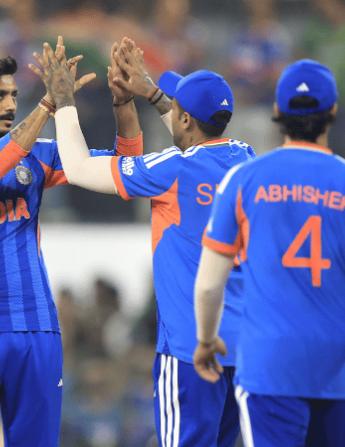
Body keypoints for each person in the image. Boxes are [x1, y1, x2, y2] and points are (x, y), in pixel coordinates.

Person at [0, 37, 143, 446]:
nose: (10, 104)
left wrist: (123, 104)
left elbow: (124, 169)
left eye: (15, 95)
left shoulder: (40, 153)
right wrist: (50, 104)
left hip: (36, 327)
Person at [32, 38, 256, 447]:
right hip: (245, 351)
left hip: (190, 349)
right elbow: (195, 137)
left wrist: (63, 101)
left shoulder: (171, 169)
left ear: (185, 118)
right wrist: (150, 93)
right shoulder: (247, 159)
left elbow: (79, 168)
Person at [193, 59, 345, 446]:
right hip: (338, 368)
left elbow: (207, 286)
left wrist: (206, 340)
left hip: (269, 365)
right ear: (333, 112)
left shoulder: (243, 181)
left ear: (277, 112)